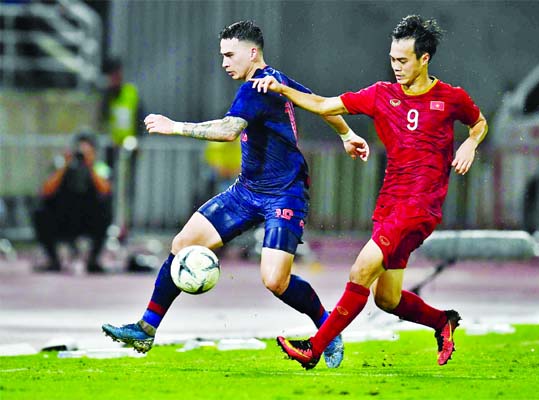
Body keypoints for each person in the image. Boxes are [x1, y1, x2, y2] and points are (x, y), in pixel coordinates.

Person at [101, 20, 369, 369]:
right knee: (183, 243)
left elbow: (230, 130)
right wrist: (346, 134)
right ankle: (146, 327)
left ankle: (328, 328)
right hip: (247, 191)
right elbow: (321, 103)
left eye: (230, 55)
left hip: (284, 194)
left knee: (275, 280)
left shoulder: (257, 87)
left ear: (252, 52)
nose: (224, 62)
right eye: (222, 55)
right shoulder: (274, 79)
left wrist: (175, 127)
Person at [252, 15, 488, 369]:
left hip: (420, 206)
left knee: (360, 271)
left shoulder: (451, 98)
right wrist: (282, 89)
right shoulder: (382, 95)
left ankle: (315, 348)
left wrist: (470, 143)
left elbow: (480, 122)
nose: (396, 67)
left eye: (403, 60)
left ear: (424, 60)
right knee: (387, 299)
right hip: (390, 203)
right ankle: (442, 321)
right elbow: (323, 104)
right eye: (392, 59)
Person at [33, 133, 112, 273]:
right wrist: (65, 166)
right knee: (39, 213)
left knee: (105, 211)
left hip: (88, 219)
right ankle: (53, 260)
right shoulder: (61, 165)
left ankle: (93, 260)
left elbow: (105, 190)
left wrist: (90, 166)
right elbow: (46, 190)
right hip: (63, 218)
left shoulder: (99, 167)